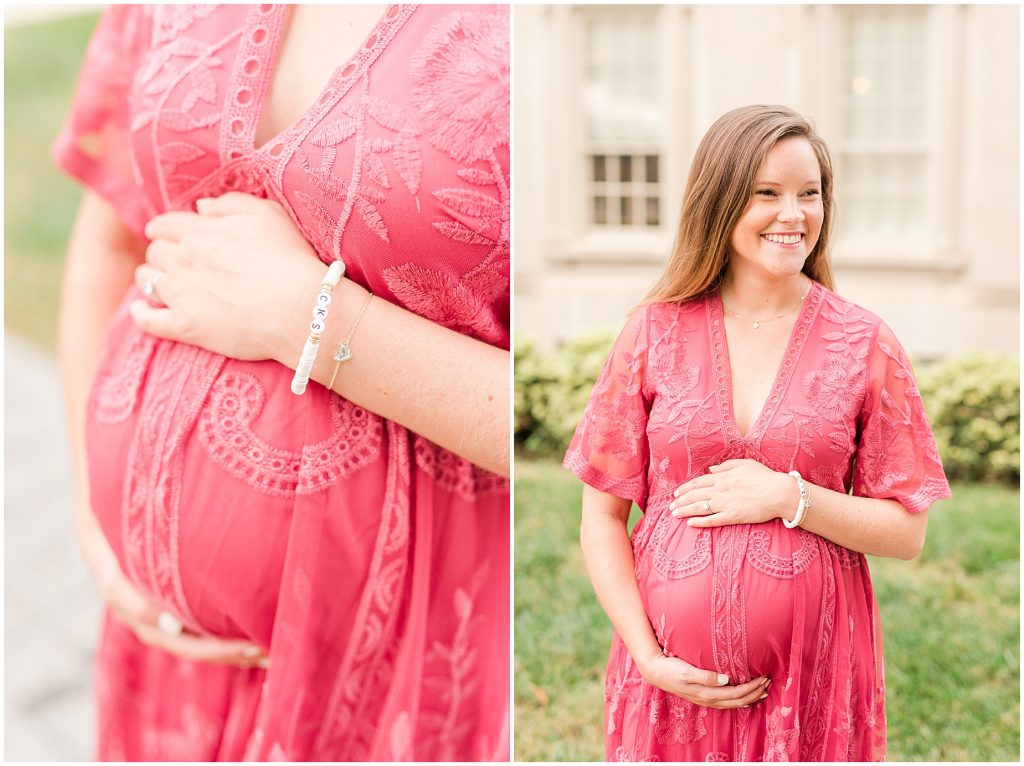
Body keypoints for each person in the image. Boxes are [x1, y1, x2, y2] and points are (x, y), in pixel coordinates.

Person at [53, 5, 509, 761]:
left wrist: (309, 320)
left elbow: (573, 426)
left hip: (399, 667)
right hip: (169, 666)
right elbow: (109, 234)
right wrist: (95, 522)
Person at [565, 104, 951, 762]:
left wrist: (788, 497)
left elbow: (907, 531)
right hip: (669, 687)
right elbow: (601, 517)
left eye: (810, 193)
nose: (793, 214)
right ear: (720, 200)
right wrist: (648, 657)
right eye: (767, 193)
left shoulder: (865, 343)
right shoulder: (653, 332)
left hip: (813, 682)